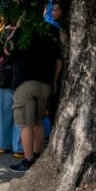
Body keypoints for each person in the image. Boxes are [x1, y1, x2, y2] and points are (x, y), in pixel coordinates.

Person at [8, 21, 62, 172]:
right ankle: (37, 155)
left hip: (25, 83)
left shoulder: (22, 29)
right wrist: (54, 82)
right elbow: (59, 61)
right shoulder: (51, 29)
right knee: (39, 122)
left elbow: (6, 49)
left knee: (26, 124)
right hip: (45, 84)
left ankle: (28, 159)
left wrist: (16, 28)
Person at [0, 25, 24, 158]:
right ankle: (18, 148)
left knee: (3, 114)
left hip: (5, 77)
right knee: (20, 115)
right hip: (22, 76)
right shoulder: (29, 31)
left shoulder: (5, 32)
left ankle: (2, 145)